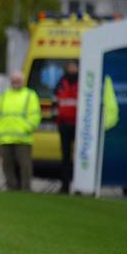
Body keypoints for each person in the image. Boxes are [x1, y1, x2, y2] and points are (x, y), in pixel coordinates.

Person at [0, 71, 41, 191]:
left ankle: (26, 189)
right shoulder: (4, 95)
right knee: (7, 165)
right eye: (13, 80)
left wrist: (26, 128)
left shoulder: (30, 95)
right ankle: (11, 188)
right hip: (6, 137)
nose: (16, 83)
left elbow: (35, 116)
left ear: (23, 81)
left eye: (18, 80)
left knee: (24, 166)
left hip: (23, 138)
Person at [53, 60, 78, 193]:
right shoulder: (61, 83)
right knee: (65, 157)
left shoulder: (82, 81)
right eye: (70, 67)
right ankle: (65, 185)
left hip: (78, 126)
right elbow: (55, 103)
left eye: (74, 66)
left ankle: (80, 185)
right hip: (64, 124)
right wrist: (56, 120)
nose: (72, 69)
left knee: (80, 156)